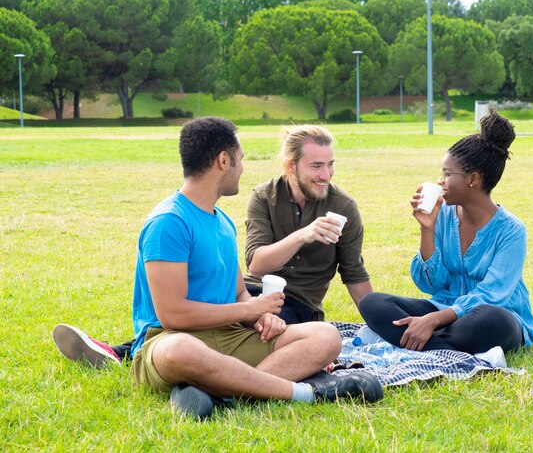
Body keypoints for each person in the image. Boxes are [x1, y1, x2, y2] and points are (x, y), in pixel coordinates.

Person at [56, 117, 383, 419]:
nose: (242, 168)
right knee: (181, 350)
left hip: (229, 338)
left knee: (325, 336)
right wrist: (249, 309)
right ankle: (306, 393)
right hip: (170, 339)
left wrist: (260, 314)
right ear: (223, 161)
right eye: (240, 159)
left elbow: (240, 292)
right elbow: (173, 316)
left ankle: (217, 393)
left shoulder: (222, 221)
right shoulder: (169, 221)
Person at [358, 111, 533, 355]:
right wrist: (427, 229)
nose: (440, 182)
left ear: (473, 179)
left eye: (447, 174)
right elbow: (432, 284)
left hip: (490, 316)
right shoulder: (442, 215)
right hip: (445, 307)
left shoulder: (512, 231)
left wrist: (432, 321)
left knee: (493, 320)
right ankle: (442, 347)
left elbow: (493, 295)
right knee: (373, 303)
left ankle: (409, 338)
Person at [244, 124, 373, 323]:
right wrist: (303, 235)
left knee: (262, 329)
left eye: (330, 164)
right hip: (251, 291)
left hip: (298, 305)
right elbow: (256, 267)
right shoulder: (264, 197)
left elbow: (354, 273)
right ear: (290, 166)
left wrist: (378, 324)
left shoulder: (343, 206)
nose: (326, 174)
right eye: (316, 166)